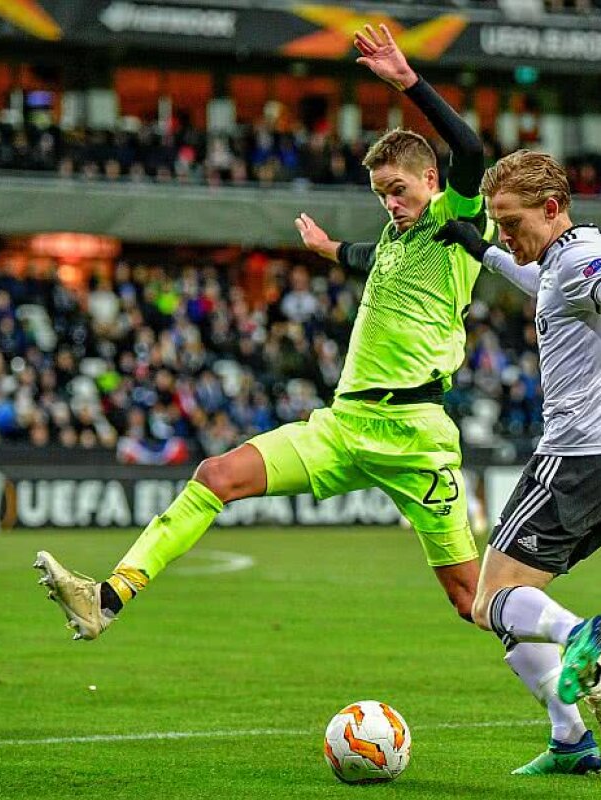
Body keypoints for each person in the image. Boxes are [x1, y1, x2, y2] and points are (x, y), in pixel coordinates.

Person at [34, 24, 490, 639]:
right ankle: (106, 599)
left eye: (399, 189)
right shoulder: (395, 238)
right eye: (381, 194)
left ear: (432, 180)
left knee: (470, 601)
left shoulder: (454, 222)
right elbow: (369, 256)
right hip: (345, 425)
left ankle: (579, 652)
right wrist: (331, 249)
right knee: (215, 475)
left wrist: (409, 82)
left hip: (415, 437)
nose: (390, 203)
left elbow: (471, 149)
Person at [433, 149, 601, 775]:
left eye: (512, 222)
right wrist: (483, 250)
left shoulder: (582, 260)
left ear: (552, 208)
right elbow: (542, 283)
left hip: (576, 459)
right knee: (515, 611)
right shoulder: (561, 259)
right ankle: (570, 740)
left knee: (486, 602)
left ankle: (583, 641)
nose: (507, 233)